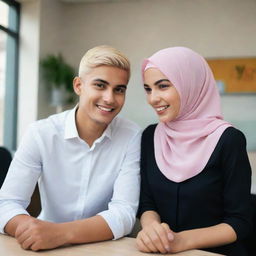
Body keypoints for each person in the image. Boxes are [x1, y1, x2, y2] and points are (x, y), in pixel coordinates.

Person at [0, 45, 141, 251]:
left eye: (119, 89)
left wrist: (60, 233)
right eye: (100, 85)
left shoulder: (132, 135)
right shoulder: (41, 133)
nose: (110, 98)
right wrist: (32, 229)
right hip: (43, 245)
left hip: (103, 248)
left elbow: (124, 213)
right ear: (78, 86)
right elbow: (6, 203)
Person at [136, 47, 252, 256]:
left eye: (162, 86)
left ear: (190, 85)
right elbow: (147, 202)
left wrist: (181, 241)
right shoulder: (149, 137)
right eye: (148, 89)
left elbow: (239, 221)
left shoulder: (228, 140)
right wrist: (151, 227)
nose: (153, 98)